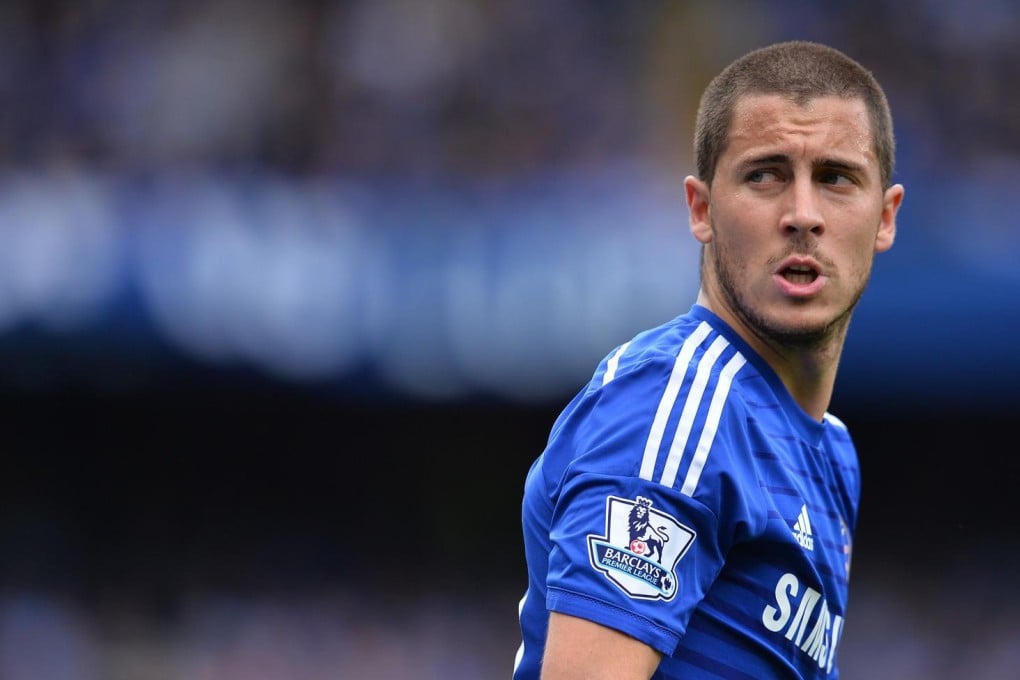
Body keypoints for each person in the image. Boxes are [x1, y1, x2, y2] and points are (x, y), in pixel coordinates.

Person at [513, 40, 904, 679]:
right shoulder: (674, 406)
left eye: (835, 178)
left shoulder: (833, 454)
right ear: (702, 210)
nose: (802, 215)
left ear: (884, 218)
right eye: (765, 175)